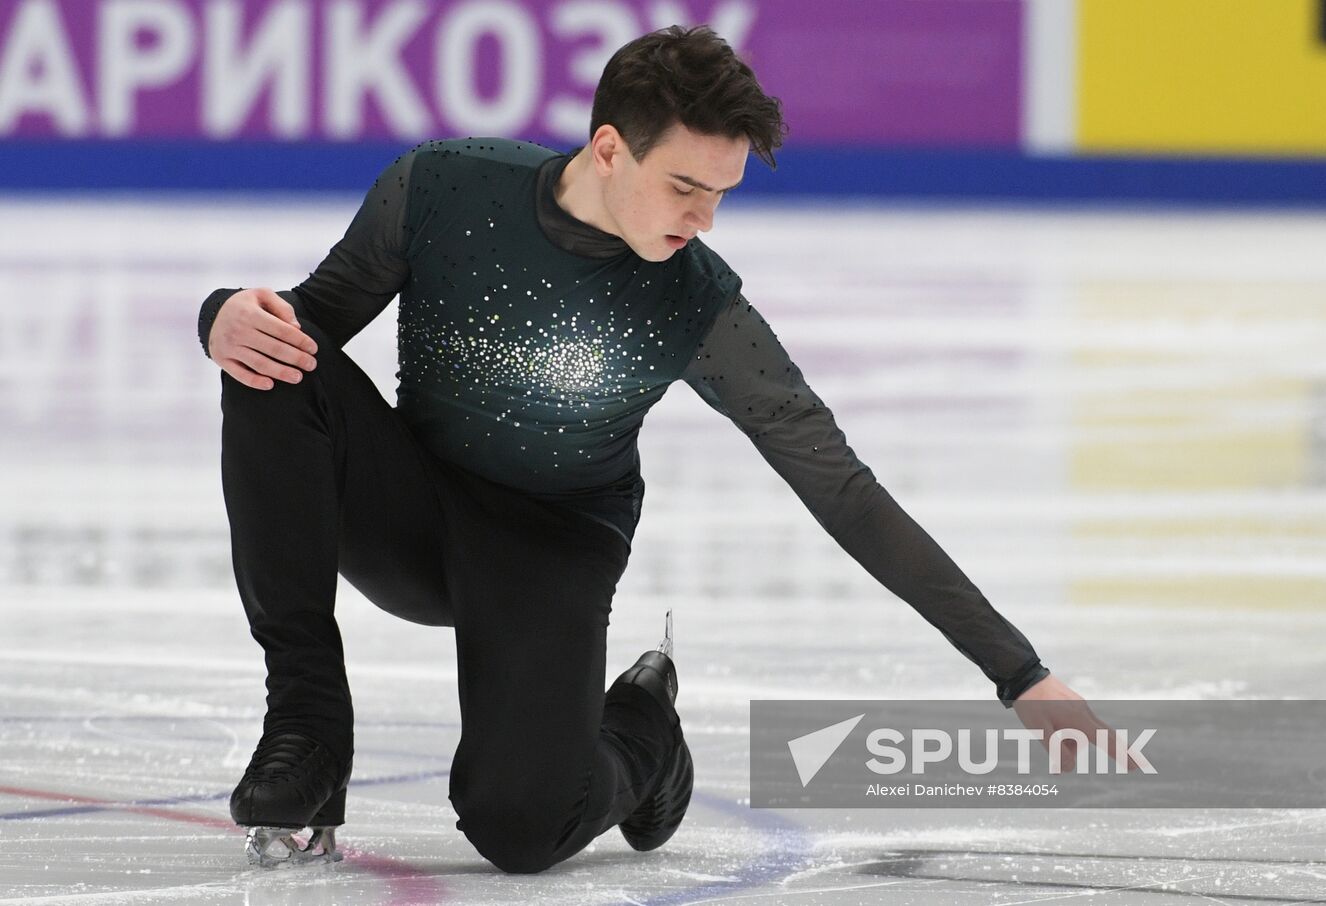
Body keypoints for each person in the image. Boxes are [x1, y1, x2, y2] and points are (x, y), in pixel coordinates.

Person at [198, 24, 1115, 874]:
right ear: (608, 149)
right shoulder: (442, 187)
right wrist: (222, 315)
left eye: (721, 194)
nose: (703, 220)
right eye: (685, 187)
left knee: (521, 827)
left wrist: (1018, 671)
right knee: (269, 355)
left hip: (548, 547)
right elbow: (303, 328)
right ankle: (308, 726)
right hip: (416, 510)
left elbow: (841, 486)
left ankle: (642, 732)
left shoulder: (696, 305)